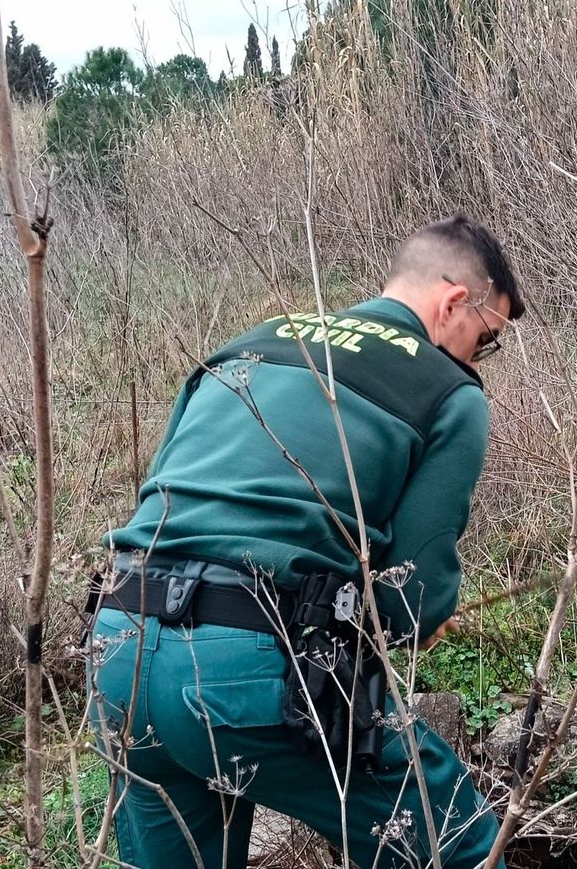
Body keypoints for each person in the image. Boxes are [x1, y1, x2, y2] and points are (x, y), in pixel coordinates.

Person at [86, 215, 525, 869]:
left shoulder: (243, 347)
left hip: (118, 649)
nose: (474, 358)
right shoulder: (446, 391)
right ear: (453, 301)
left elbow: (171, 499)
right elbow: (414, 595)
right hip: (247, 675)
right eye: (485, 340)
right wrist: (417, 622)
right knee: (458, 844)